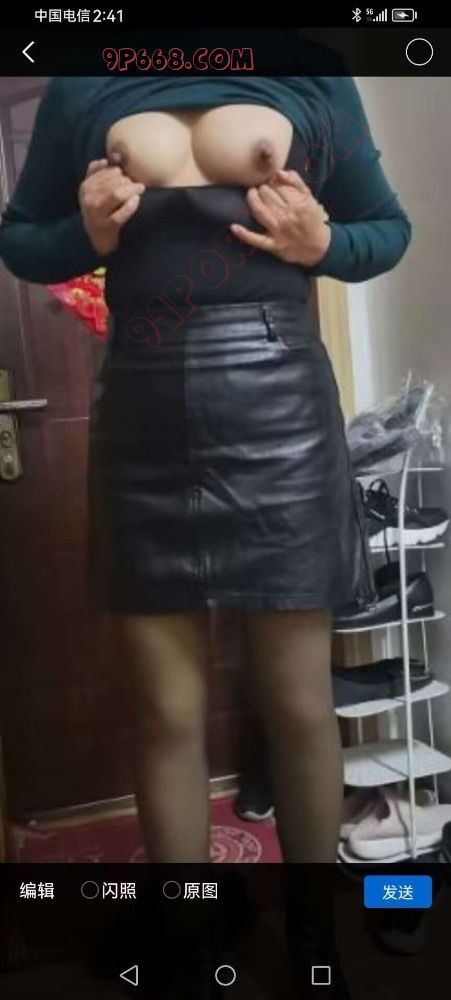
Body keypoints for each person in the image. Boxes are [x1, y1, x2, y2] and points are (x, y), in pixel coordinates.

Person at [0, 75, 412, 997]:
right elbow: (21, 239)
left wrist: (324, 245)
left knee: (298, 705)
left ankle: (314, 947)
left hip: (279, 396)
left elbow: (386, 230)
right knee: (167, 712)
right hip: (142, 402)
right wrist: (84, 235)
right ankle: (185, 946)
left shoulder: (308, 72)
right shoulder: (84, 83)